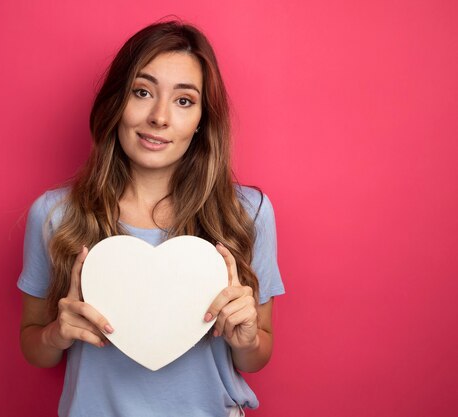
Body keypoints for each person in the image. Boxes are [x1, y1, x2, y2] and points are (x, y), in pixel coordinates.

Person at [17, 19, 285, 417]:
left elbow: (255, 357)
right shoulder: (56, 215)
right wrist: (57, 334)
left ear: (201, 121)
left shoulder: (247, 214)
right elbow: (35, 349)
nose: (159, 117)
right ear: (116, 102)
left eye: (183, 101)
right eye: (142, 92)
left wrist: (246, 339)